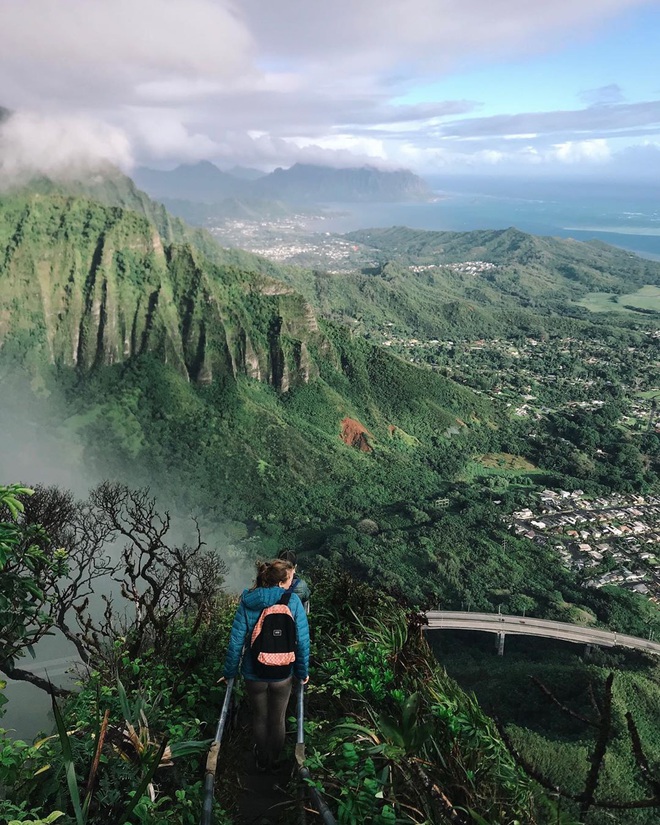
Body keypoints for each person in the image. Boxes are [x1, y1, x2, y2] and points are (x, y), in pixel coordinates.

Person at [222, 558, 310, 773]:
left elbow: (236, 642)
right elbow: (302, 641)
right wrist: (302, 672)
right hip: (283, 673)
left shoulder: (248, 601)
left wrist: (229, 672)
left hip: (254, 673)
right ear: (280, 582)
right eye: (289, 579)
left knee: (260, 717)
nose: (291, 583)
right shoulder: (293, 602)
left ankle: (261, 759)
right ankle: (275, 759)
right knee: (278, 719)